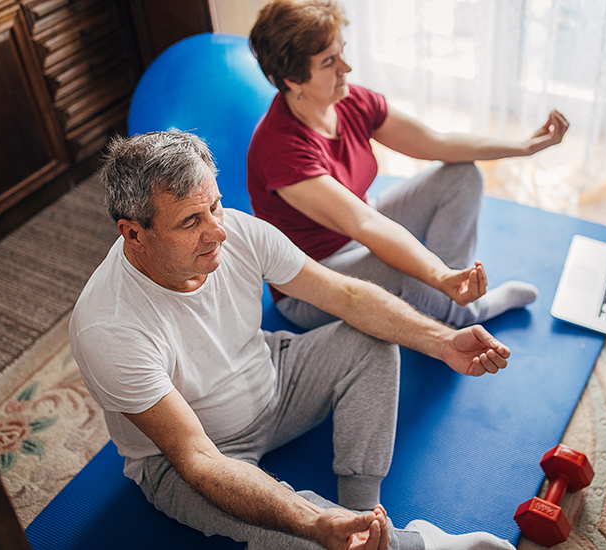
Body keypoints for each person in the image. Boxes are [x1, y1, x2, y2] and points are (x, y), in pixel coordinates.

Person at [70, 131, 518, 550]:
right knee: (305, 539)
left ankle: (363, 514)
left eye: (216, 207)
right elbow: (198, 459)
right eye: (190, 221)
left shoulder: (238, 233)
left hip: (274, 378)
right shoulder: (108, 327)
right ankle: (413, 543)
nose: (217, 231)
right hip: (189, 457)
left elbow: (346, 294)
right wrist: (312, 523)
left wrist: (442, 341)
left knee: (372, 340)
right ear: (133, 233)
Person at [247, 0, 569, 330]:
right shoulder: (280, 150)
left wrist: (524, 147)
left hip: (358, 234)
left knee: (462, 174)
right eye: (330, 62)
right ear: (292, 79)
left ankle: (453, 296)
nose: (346, 67)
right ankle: (460, 312)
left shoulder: (349, 100)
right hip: (314, 284)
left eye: (342, 51)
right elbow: (364, 225)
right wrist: (437, 274)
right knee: (405, 265)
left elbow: (436, 143)